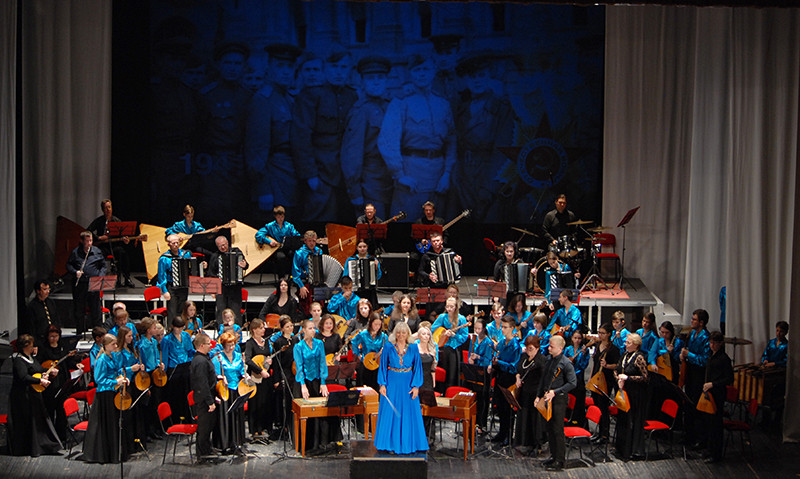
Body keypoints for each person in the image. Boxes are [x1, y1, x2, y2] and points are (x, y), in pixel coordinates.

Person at [378, 54, 457, 216]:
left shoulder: (443, 104)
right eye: (417, 70)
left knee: (436, 223)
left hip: (438, 175)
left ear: (434, 71)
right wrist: (400, 175)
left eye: (426, 69)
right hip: (411, 174)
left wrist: (447, 174)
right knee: (408, 220)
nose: (422, 74)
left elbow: (451, 141)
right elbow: (387, 141)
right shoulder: (400, 103)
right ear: (410, 73)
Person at [292, 45, 358, 222]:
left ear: (349, 70)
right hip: (320, 173)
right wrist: (310, 174)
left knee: (345, 221)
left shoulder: (352, 96)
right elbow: (301, 138)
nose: (338, 72)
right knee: (319, 219)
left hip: (345, 173)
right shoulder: (311, 96)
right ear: (325, 69)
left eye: (343, 67)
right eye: (334, 67)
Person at [449, 52, 515, 222]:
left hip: (488, 174)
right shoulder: (460, 108)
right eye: (472, 77)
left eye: (481, 75)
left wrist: (489, 187)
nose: (477, 81)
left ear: (488, 77)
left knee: (487, 221)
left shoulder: (501, 108)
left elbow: (502, 151)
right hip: (463, 176)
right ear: (466, 79)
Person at [196, 42, 252, 215]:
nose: (232, 68)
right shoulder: (207, 95)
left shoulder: (249, 95)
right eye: (228, 63)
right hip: (215, 163)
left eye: (237, 63)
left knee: (241, 209)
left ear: (244, 67)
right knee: (216, 208)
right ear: (219, 65)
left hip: (242, 162)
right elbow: (198, 132)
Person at [246, 44, 303, 214]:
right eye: (280, 66)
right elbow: (256, 148)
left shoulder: (289, 98)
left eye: (289, 66)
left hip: (289, 173)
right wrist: (263, 189)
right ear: (269, 67)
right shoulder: (263, 100)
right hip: (273, 176)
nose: (286, 71)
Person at [342, 55, 394, 218]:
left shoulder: (391, 106)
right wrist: (355, 192)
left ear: (387, 80)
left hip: (392, 181)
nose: (376, 82)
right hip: (370, 183)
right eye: (371, 78)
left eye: (380, 77)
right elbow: (352, 156)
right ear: (362, 81)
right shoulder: (360, 111)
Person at [374, 322, 428, 455]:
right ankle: (389, 445)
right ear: (395, 333)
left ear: (408, 333)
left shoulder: (413, 347)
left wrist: (416, 386)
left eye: (403, 332)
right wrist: (382, 384)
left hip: (408, 383)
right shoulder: (388, 347)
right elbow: (382, 366)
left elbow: (418, 368)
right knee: (390, 413)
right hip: (392, 382)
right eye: (398, 332)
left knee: (408, 413)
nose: (401, 335)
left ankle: (408, 445)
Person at [8, 334, 63, 456]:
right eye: (31, 346)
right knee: (28, 422)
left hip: (34, 395)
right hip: (23, 397)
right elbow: (23, 377)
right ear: (25, 346)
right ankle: (29, 448)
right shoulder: (19, 361)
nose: (33, 348)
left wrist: (48, 372)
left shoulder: (31, 358)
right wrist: (40, 381)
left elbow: (38, 369)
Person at [294, 320, 341, 453]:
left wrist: (323, 382)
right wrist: (303, 385)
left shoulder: (319, 343)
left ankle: (323, 442)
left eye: (314, 328)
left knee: (323, 410)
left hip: (317, 381)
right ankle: (309, 445)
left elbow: (322, 363)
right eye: (310, 328)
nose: (313, 330)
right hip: (304, 382)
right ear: (304, 330)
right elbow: (299, 367)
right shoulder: (298, 346)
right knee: (308, 412)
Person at [83, 334, 130, 463]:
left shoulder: (112, 356)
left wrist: (123, 377)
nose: (116, 346)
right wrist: (115, 382)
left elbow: (116, 371)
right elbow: (99, 379)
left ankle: (114, 453)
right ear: (106, 345)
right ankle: (104, 455)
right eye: (113, 344)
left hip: (112, 393)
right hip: (104, 395)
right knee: (106, 425)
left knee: (114, 423)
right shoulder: (102, 359)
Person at [535, 335, 577, 471]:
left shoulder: (566, 363)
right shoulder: (549, 359)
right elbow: (543, 379)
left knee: (557, 430)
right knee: (549, 429)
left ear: (560, 348)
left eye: (551, 346)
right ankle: (553, 456)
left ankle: (560, 460)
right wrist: (538, 396)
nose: (549, 348)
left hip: (559, 400)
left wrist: (556, 392)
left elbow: (572, 383)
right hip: (547, 398)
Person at [37, 326, 80, 443]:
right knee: (50, 409)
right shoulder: (43, 348)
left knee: (61, 410)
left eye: (56, 336)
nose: (54, 339)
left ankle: (62, 436)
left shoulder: (62, 347)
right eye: (51, 336)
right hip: (50, 384)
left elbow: (68, 361)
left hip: (62, 381)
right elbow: (39, 364)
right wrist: (48, 370)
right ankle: (51, 437)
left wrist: (75, 365)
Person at [613, 333, 649, 461]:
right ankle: (622, 448)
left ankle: (633, 450)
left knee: (633, 420)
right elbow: (617, 369)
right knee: (623, 420)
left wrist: (628, 378)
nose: (625, 344)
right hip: (624, 392)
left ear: (636, 345)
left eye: (628, 343)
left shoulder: (639, 358)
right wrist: (618, 378)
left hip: (636, 395)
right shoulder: (625, 355)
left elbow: (645, 377)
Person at [212, 331, 248, 453]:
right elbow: (215, 375)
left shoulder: (238, 356)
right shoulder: (218, 358)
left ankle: (237, 442)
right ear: (223, 345)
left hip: (237, 389)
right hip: (225, 391)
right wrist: (221, 377)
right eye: (229, 345)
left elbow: (241, 371)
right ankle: (225, 444)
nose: (232, 347)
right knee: (226, 417)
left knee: (237, 416)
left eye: (233, 344)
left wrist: (245, 375)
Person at [488, 316, 520, 445]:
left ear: (512, 328)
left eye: (505, 327)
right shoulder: (501, 343)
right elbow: (497, 356)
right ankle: (501, 433)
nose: (502, 329)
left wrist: (499, 362)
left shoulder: (515, 345)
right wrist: (493, 363)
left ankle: (508, 435)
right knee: (500, 407)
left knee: (508, 408)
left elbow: (514, 366)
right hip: (500, 377)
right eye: (502, 327)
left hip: (509, 379)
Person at [702, 331, 734, 464]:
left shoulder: (724, 359)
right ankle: (709, 449)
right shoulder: (711, 356)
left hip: (717, 393)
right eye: (710, 342)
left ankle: (716, 454)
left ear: (720, 343)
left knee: (716, 425)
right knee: (709, 423)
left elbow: (729, 379)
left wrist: (713, 384)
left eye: (714, 343)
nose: (711, 345)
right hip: (709, 393)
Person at [66, 231, 107, 334]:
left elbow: (103, 265)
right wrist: (75, 272)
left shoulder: (97, 251)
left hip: (94, 283)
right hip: (80, 284)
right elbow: (68, 265)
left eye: (91, 241)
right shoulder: (76, 252)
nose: (89, 243)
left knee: (96, 309)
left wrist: (100, 275)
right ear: (82, 241)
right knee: (79, 309)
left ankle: (98, 333)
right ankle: (80, 332)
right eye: (87, 241)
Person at [87, 199, 134, 288]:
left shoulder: (116, 221)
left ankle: (126, 278)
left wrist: (125, 239)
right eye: (106, 208)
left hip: (114, 246)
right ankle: (97, 278)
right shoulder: (99, 221)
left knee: (123, 254)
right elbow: (88, 231)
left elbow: (124, 234)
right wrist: (98, 237)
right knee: (97, 255)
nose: (108, 210)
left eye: (109, 207)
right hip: (103, 246)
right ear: (103, 210)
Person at [680, 309, 710, 448]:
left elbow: (704, 360)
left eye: (694, 319)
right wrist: (683, 355)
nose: (691, 321)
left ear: (701, 322)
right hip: (690, 373)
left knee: (697, 407)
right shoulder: (692, 334)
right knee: (689, 404)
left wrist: (689, 355)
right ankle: (688, 435)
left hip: (699, 375)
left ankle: (699, 438)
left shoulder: (706, 337)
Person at [514, 334, 546, 454]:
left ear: (537, 348)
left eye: (531, 349)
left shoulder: (541, 360)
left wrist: (539, 395)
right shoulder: (524, 356)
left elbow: (543, 379)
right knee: (524, 417)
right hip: (524, 392)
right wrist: (518, 378)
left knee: (534, 419)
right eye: (527, 348)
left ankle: (536, 444)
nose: (528, 351)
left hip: (535, 392)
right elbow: (518, 369)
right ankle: (524, 441)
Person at [206, 235, 248, 324]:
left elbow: (245, 265)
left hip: (235, 287)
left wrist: (245, 265)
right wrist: (212, 290)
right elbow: (210, 274)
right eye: (220, 246)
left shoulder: (236, 252)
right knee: (221, 311)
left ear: (227, 243)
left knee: (236, 311)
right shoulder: (215, 256)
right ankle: (221, 330)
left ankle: (236, 330)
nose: (223, 247)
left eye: (224, 245)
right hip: (221, 288)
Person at [430, 297, 469, 392]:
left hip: (454, 349)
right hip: (443, 347)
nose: (449, 309)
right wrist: (442, 333)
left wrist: (454, 335)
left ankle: (450, 391)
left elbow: (464, 336)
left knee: (452, 373)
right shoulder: (442, 317)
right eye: (447, 306)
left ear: (456, 307)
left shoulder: (461, 319)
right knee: (443, 371)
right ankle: (441, 391)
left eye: (451, 307)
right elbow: (432, 329)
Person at [244, 318, 274, 439]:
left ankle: (264, 427)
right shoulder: (250, 343)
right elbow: (248, 359)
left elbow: (267, 355)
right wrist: (260, 370)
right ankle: (255, 429)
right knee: (255, 403)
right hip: (255, 377)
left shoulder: (266, 342)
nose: (263, 330)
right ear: (254, 330)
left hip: (266, 377)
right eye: (261, 328)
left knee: (265, 402)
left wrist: (269, 361)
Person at [115, 326, 145, 449]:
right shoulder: (119, 352)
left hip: (135, 382)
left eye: (132, 336)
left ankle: (137, 440)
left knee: (136, 413)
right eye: (129, 336)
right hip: (125, 384)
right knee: (128, 415)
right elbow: (117, 370)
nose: (131, 338)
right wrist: (130, 369)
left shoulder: (131, 349)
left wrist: (140, 367)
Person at [590, 323, 619, 445]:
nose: (600, 335)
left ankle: (604, 434)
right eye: (599, 332)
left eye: (602, 333)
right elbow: (594, 363)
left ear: (608, 334)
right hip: (596, 378)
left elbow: (617, 365)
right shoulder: (597, 345)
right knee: (597, 405)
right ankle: (599, 431)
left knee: (603, 406)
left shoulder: (613, 349)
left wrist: (607, 365)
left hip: (606, 379)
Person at [161, 317, 195, 423]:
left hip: (186, 368)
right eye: (178, 328)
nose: (180, 330)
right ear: (172, 327)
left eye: (182, 328)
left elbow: (190, 351)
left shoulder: (186, 335)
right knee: (176, 396)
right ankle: (176, 420)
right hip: (173, 370)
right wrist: (164, 372)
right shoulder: (166, 340)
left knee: (187, 394)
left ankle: (188, 418)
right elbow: (165, 357)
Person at [137, 317, 165, 441]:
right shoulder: (142, 345)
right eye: (154, 328)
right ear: (148, 330)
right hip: (147, 374)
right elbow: (142, 360)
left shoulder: (153, 341)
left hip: (155, 372)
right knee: (147, 405)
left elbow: (156, 357)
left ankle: (154, 429)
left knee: (155, 403)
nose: (156, 329)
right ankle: (147, 431)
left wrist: (159, 363)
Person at [190, 333, 217, 461]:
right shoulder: (200, 361)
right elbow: (202, 383)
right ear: (201, 345)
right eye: (208, 343)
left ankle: (207, 449)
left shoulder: (204, 358)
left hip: (207, 396)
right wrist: (210, 402)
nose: (211, 345)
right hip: (203, 399)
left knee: (209, 426)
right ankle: (202, 453)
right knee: (204, 427)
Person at [255, 205, 302, 277]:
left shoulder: (289, 226)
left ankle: (294, 277)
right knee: (281, 257)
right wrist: (269, 241)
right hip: (275, 250)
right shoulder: (270, 226)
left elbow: (297, 236)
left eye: (282, 217)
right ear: (275, 217)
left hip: (287, 248)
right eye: (278, 217)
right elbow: (258, 235)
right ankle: (282, 278)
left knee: (295, 254)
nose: (281, 219)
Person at [156, 234, 192, 325]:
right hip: (171, 287)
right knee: (172, 311)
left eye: (177, 243)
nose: (176, 245)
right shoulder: (164, 258)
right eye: (173, 243)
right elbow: (161, 275)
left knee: (182, 310)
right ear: (169, 244)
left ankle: (181, 328)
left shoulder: (185, 254)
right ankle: (171, 329)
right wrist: (165, 291)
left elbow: (191, 266)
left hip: (183, 286)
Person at [468, 318, 494, 435]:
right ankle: (472, 421)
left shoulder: (488, 342)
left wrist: (478, 357)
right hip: (474, 372)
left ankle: (481, 424)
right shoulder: (473, 340)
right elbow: (470, 354)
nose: (477, 331)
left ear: (484, 329)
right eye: (475, 328)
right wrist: (470, 359)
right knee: (473, 397)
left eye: (479, 329)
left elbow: (488, 360)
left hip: (483, 373)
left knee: (483, 400)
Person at [352, 313, 386, 392]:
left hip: (377, 365)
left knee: (375, 390)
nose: (377, 327)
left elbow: (387, 349)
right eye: (375, 324)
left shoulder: (383, 336)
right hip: (365, 364)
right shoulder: (363, 334)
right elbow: (354, 342)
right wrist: (358, 355)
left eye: (379, 324)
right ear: (371, 323)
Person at [416, 324, 438, 443]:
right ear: (419, 335)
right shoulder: (415, 348)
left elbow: (433, 368)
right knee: (417, 409)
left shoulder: (432, 349)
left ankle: (428, 436)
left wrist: (433, 383)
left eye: (428, 334)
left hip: (428, 381)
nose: (426, 336)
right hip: (417, 380)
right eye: (423, 334)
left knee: (429, 410)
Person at [292, 230, 323, 316]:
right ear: (305, 241)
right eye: (309, 241)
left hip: (318, 282)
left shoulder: (319, 251)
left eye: (314, 241)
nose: (312, 243)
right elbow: (295, 272)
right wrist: (301, 286)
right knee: (306, 303)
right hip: (305, 282)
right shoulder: (299, 253)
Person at [343, 239, 382, 306]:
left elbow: (378, 277)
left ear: (367, 247)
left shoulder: (372, 259)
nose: (362, 249)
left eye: (364, 246)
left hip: (369, 290)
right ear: (357, 248)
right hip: (355, 289)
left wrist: (376, 268)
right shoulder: (351, 259)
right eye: (360, 247)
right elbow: (345, 276)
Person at [564, 330, 591, 428]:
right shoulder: (568, 349)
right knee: (568, 402)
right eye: (575, 338)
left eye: (579, 338)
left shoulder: (584, 350)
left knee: (579, 403)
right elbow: (563, 363)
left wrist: (583, 355)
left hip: (579, 379)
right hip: (568, 379)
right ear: (572, 338)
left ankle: (579, 425)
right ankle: (568, 423)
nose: (577, 340)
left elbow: (583, 366)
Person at [24, 279, 61, 347]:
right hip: (41, 340)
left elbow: (56, 319)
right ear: (38, 291)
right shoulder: (32, 306)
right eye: (45, 289)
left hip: (53, 339)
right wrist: (35, 344)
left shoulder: (51, 302)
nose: (48, 291)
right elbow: (31, 327)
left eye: (48, 289)